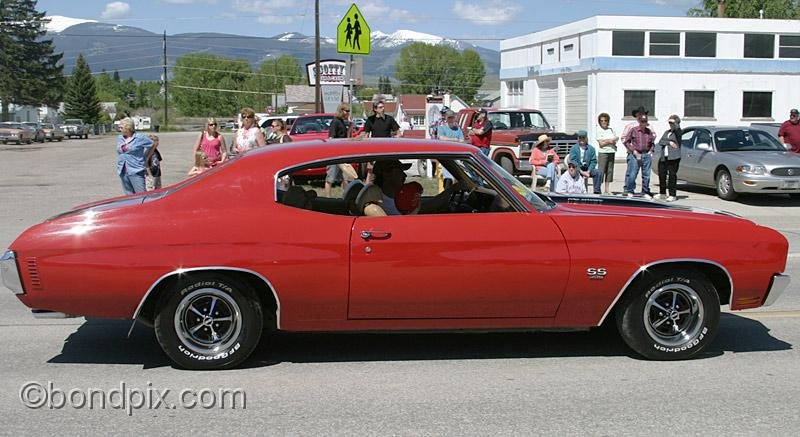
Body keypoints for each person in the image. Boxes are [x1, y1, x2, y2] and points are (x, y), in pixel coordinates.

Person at [369, 159, 459, 215]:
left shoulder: (394, 196)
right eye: (399, 171)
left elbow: (424, 207)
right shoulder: (383, 203)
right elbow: (425, 208)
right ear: (387, 174)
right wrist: (451, 190)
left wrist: (450, 190)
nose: (404, 175)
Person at [623, 106, 656, 199]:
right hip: (635, 154)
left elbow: (652, 142)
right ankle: (630, 190)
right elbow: (626, 140)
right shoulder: (633, 129)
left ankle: (645, 191)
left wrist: (651, 151)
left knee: (646, 175)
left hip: (646, 154)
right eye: (642, 121)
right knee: (632, 174)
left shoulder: (649, 131)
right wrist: (633, 150)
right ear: (639, 120)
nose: (644, 123)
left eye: (645, 122)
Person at [325, 103, 358, 197]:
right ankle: (328, 198)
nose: (348, 113)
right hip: (334, 154)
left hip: (343, 154)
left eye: (349, 111)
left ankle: (345, 196)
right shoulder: (335, 122)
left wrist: (350, 127)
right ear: (341, 111)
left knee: (345, 177)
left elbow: (346, 138)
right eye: (346, 111)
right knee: (330, 178)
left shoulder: (343, 122)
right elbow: (331, 138)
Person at [116, 117, 153, 195]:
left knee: (141, 195)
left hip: (136, 170)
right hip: (123, 170)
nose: (119, 129)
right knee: (129, 195)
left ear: (128, 128)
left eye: (121, 127)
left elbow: (152, 144)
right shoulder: (120, 138)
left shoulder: (139, 138)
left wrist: (146, 157)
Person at [656, 115, 682, 202]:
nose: (670, 124)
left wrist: (676, 124)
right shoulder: (667, 132)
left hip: (673, 157)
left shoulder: (678, 132)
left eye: (672, 123)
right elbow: (661, 141)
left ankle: (672, 194)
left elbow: (677, 132)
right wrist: (670, 142)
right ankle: (662, 193)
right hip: (664, 156)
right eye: (669, 123)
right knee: (662, 175)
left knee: (672, 176)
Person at [436, 110, 464, 190]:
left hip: (456, 155)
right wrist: (455, 140)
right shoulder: (441, 128)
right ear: (446, 118)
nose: (451, 119)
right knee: (447, 177)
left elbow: (462, 141)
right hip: (446, 155)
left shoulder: (458, 130)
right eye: (449, 117)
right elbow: (441, 138)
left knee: (457, 176)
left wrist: (450, 140)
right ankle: (447, 192)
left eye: (452, 117)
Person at [567, 130, 603, 194]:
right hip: (577, 169)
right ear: (578, 138)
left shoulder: (591, 148)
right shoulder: (574, 148)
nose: (581, 139)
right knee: (573, 171)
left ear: (586, 138)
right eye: (580, 137)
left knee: (598, 172)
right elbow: (573, 161)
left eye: (583, 137)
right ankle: (578, 192)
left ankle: (596, 192)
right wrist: (582, 172)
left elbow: (593, 161)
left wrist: (588, 171)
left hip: (588, 169)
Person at [595, 112, 618, 194]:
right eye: (602, 121)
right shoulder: (599, 130)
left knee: (609, 171)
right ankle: (598, 188)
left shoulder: (611, 130)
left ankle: (607, 189)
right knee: (601, 171)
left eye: (605, 120)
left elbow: (615, 140)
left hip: (611, 151)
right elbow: (601, 144)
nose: (604, 122)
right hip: (603, 153)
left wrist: (607, 141)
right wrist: (609, 140)